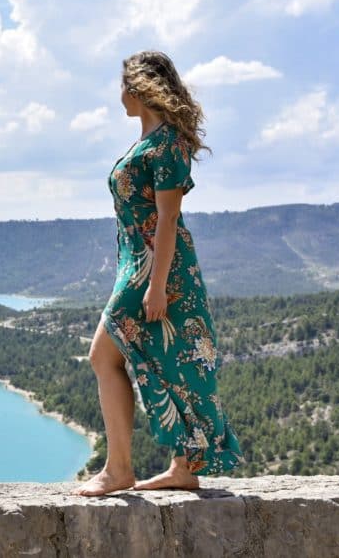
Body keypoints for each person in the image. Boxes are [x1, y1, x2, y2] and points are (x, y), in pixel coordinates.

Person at [74, 50, 245, 496]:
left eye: (124, 85)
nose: (120, 95)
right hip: (138, 264)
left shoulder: (166, 143)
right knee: (170, 360)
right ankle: (182, 468)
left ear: (140, 87)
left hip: (156, 268)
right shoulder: (149, 140)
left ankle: (119, 470)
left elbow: (168, 219)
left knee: (103, 355)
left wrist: (155, 286)